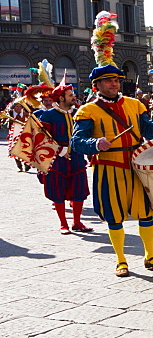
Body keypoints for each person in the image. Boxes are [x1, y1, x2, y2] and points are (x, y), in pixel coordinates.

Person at [72, 11, 153, 277]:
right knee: (114, 216)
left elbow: (146, 130)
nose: (114, 83)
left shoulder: (135, 104)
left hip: (138, 165)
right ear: (97, 85)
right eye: (108, 80)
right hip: (109, 168)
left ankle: (150, 256)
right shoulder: (87, 111)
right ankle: (121, 260)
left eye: (116, 79)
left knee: (145, 213)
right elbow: (77, 142)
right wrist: (96, 143)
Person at [35, 83, 92, 234]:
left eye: (73, 94)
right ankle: (63, 224)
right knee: (57, 189)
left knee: (79, 188)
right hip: (56, 159)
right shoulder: (48, 115)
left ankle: (77, 222)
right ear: (61, 98)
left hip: (77, 156)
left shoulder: (79, 113)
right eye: (70, 95)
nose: (74, 97)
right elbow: (40, 139)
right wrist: (59, 150)